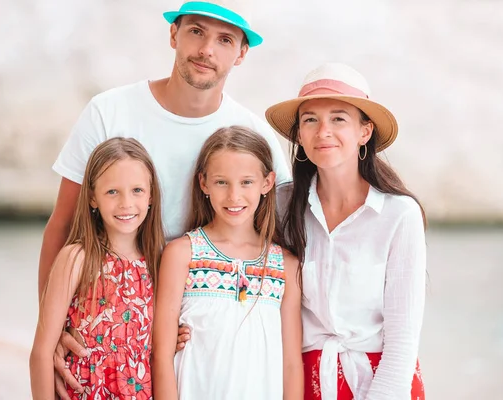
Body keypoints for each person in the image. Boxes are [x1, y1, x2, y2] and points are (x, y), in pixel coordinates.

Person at [39, 1, 290, 397]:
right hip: (109, 327)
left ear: (241, 53)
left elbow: (271, 249)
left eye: (224, 39)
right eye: (195, 31)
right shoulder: (108, 111)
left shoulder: (252, 135)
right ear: (173, 34)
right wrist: (51, 331)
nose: (207, 49)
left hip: (189, 343)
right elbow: (62, 224)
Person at [265, 63, 427, 399]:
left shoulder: (399, 214)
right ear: (298, 133)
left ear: (364, 132)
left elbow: (402, 342)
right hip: (300, 382)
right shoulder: (280, 205)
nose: (323, 131)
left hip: (382, 381)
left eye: (338, 118)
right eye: (310, 119)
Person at [152, 126, 303, 399]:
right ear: (204, 183)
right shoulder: (181, 254)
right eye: (222, 182)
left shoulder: (286, 265)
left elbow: (291, 364)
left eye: (246, 182)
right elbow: (161, 356)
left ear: (267, 183)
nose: (234, 196)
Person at [30, 137, 165, 399]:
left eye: (137, 190)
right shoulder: (77, 258)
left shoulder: (157, 264)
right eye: (112, 191)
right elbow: (42, 352)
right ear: (93, 198)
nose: (126, 203)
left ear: (151, 196)